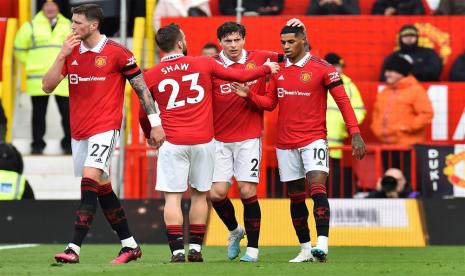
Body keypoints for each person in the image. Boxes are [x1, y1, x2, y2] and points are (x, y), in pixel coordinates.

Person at [138, 23, 278, 263]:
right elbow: (242, 75)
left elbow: (143, 111)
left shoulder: (150, 74)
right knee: (202, 195)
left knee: (172, 197)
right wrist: (266, 68)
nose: (233, 45)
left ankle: (177, 252)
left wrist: (149, 133)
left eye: (237, 40)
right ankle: (196, 248)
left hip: (173, 140)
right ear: (180, 43)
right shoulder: (203, 63)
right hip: (205, 140)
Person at [42, 3, 165, 264]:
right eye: (72, 22)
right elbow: (47, 86)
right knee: (102, 189)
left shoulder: (117, 52)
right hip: (79, 131)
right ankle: (130, 245)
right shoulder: (71, 51)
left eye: (77, 22)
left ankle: (73, 247)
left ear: (93, 25)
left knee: (89, 180)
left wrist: (156, 124)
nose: (72, 26)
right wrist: (62, 55)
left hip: (105, 127)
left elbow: (142, 89)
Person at [234, 25, 366, 263]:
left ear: (304, 41)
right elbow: (270, 103)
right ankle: (305, 249)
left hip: (313, 138)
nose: (285, 46)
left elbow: (344, 101)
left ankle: (322, 244)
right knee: (295, 196)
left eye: (291, 42)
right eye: (283, 42)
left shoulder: (323, 68)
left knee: (317, 189)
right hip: (285, 143)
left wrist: (355, 132)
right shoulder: (278, 70)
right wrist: (250, 95)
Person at [14, 0, 71, 154]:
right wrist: (31, 63)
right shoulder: (30, 26)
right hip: (39, 80)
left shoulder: (69, 26)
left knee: (68, 115)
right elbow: (19, 49)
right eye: (47, 4)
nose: (50, 8)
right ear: (41, 6)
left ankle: (69, 145)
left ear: (59, 6)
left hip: (62, 79)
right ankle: (37, 145)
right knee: (39, 116)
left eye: (53, 4)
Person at [371, 54, 433, 184]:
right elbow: (376, 115)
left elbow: (427, 114)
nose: (386, 74)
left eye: (390, 71)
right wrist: (376, 129)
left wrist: (407, 127)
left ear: (401, 73)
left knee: (409, 183)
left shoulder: (416, 90)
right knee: (389, 185)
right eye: (386, 71)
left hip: (407, 148)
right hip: (387, 147)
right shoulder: (384, 92)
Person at [324, 53, 366, 198]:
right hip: (314, 139)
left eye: (340, 67)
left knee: (334, 176)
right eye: (335, 66)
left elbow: (359, 111)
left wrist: (348, 123)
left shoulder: (349, 86)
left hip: (336, 143)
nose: (338, 70)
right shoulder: (318, 82)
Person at [219, 0, 284, 15]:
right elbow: (225, 8)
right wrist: (244, 13)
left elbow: (276, 7)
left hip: (264, 23)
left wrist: (257, 13)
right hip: (236, 21)